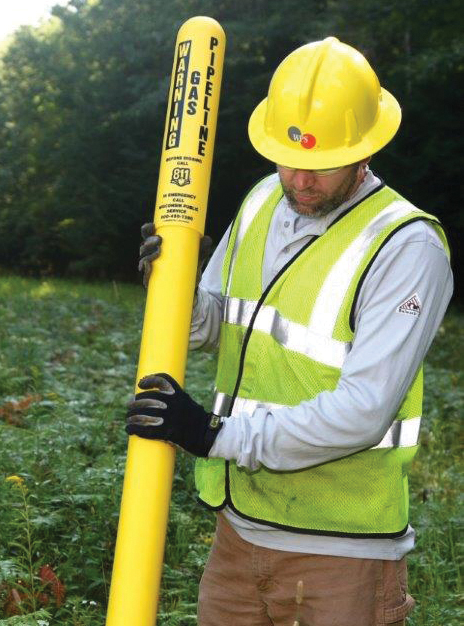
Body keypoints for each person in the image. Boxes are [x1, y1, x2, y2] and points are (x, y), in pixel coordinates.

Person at [127, 36, 453, 626]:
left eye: (321, 165)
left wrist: (212, 433)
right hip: (238, 535)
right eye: (287, 159)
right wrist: (171, 284)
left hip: (338, 553)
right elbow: (215, 327)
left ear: (365, 149)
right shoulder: (260, 201)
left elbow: (363, 410)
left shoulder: (408, 248)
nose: (299, 182)